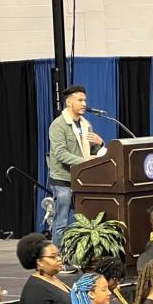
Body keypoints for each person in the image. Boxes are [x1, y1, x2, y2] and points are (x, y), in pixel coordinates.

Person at [47, 85, 104, 250]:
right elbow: (60, 153)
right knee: (62, 221)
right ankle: (59, 257)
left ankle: (76, 255)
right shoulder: (58, 125)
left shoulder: (87, 125)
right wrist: (84, 162)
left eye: (85, 100)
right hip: (63, 180)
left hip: (81, 180)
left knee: (79, 220)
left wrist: (101, 143)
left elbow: (94, 153)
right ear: (69, 103)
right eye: (80, 100)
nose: (84, 103)